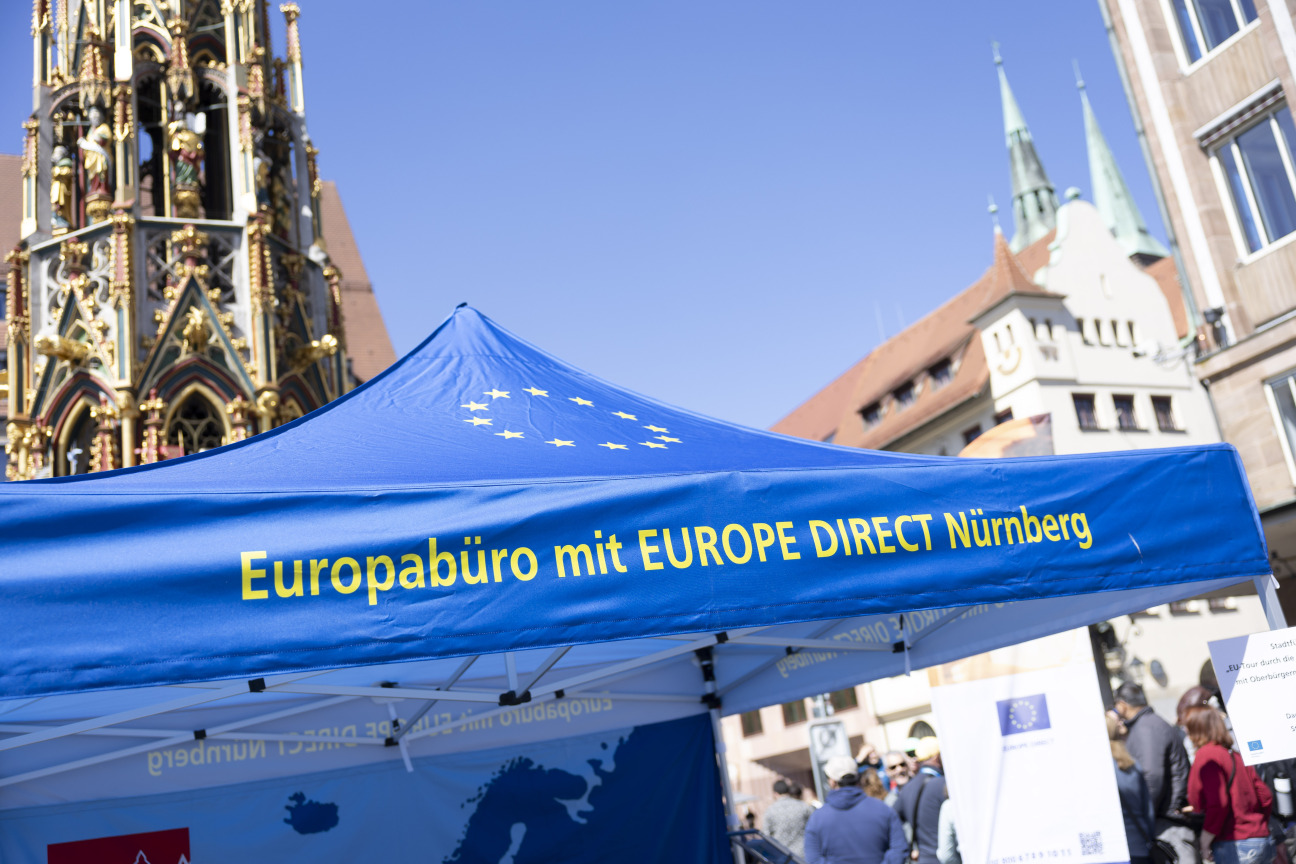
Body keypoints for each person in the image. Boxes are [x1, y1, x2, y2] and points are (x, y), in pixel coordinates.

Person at [1116, 681, 1197, 864]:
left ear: (1122, 705)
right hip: (1166, 823)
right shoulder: (1147, 725)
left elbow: (1151, 778)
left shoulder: (1146, 728)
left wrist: (1143, 817)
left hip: (1166, 826)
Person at [1184, 706, 1273, 864]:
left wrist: (1205, 841)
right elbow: (1265, 795)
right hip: (1260, 838)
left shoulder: (1207, 756)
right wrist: (1256, 823)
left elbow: (1218, 803)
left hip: (1234, 840)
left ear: (1195, 728)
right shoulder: (1235, 754)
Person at [804, 754, 907, 864]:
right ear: (857, 777)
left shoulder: (817, 819)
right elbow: (899, 849)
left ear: (832, 782)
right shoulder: (883, 809)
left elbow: (814, 859)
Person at [1109, 713, 1157, 864]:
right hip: (1140, 843)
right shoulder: (1132, 765)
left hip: (1114, 848)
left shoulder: (1097, 769)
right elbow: (1148, 810)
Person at [895, 737, 946, 864]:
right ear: (936, 757)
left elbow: (892, 819)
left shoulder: (907, 789)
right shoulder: (943, 784)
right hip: (948, 858)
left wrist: (908, 849)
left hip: (924, 859)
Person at [766, 778, 815, 860]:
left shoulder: (770, 811)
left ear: (775, 793)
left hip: (782, 855)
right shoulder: (803, 806)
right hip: (803, 854)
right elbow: (815, 826)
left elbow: (766, 836)